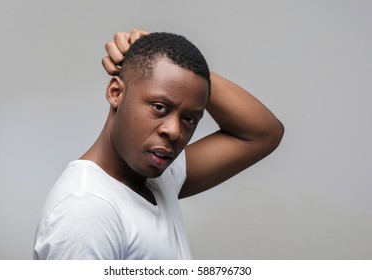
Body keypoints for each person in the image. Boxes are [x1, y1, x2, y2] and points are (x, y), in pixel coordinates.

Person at [33, 29, 284, 260]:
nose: (174, 131)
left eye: (189, 119)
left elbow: (263, 133)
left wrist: (169, 60)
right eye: (159, 107)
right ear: (116, 93)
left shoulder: (158, 176)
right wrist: (147, 58)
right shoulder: (88, 210)